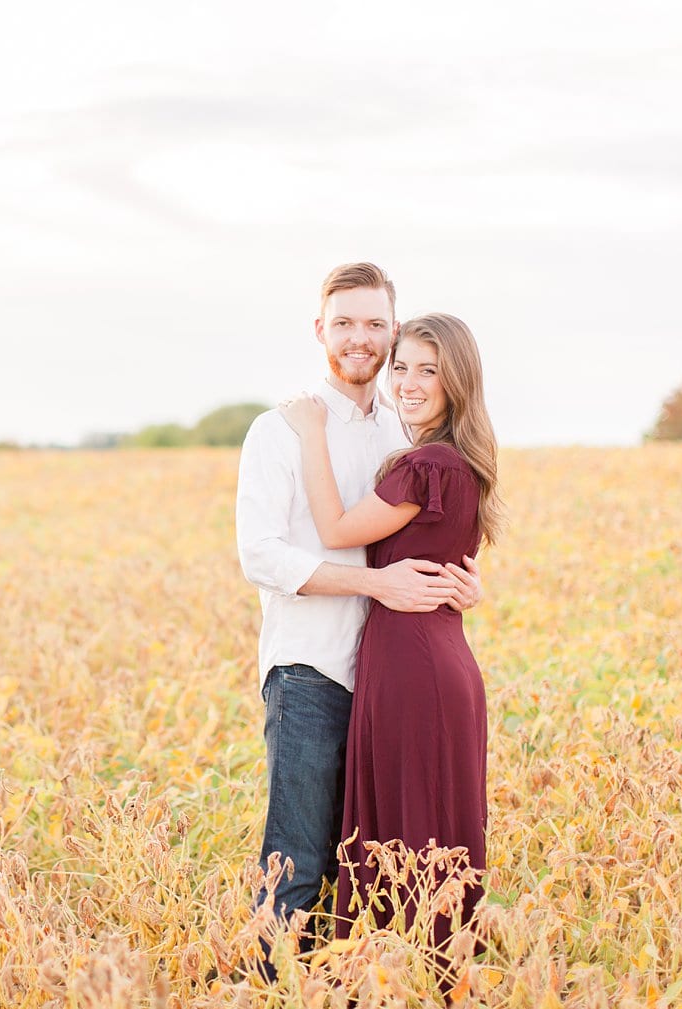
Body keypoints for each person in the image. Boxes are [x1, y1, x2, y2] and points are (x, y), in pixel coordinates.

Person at [235, 263, 481, 979]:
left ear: (393, 332)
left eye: (374, 323)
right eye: (343, 321)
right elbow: (260, 555)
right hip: (310, 670)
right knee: (300, 856)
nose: (359, 337)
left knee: (372, 860)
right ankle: (273, 988)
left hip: (389, 678)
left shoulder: (400, 433)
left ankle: (353, 987)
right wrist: (376, 582)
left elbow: (422, 533)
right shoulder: (278, 429)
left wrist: (461, 582)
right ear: (320, 330)